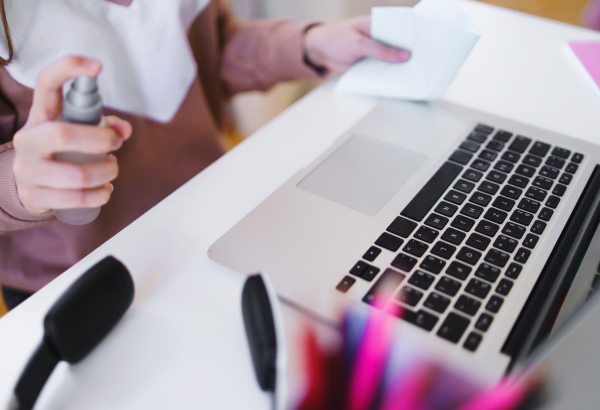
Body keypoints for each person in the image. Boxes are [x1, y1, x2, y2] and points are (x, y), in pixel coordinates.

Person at [0, 0, 410, 310]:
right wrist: (20, 185)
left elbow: (208, 51)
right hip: (77, 289)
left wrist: (307, 45)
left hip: (210, 232)